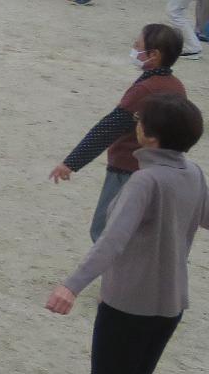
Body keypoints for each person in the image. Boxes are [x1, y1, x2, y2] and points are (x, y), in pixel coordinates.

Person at [45, 94, 207, 374]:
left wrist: (71, 285)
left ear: (149, 136)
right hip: (170, 303)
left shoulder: (145, 182)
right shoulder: (192, 173)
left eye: (140, 121)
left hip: (130, 303)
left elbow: (111, 242)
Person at [50, 24, 187, 240]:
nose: (133, 47)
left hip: (127, 167)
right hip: (159, 167)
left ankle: (118, 274)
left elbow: (109, 128)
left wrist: (71, 163)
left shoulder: (146, 90)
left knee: (104, 230)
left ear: (154, 55)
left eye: (138, 44)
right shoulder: (176, 85)